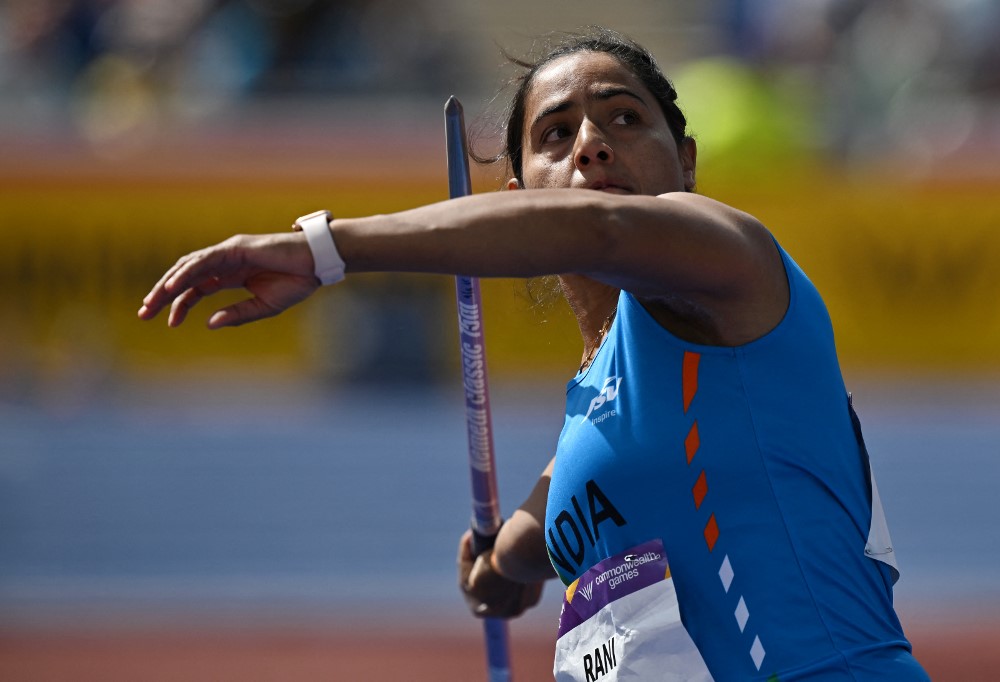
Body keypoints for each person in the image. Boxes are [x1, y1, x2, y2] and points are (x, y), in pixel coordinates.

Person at [140, 27, 929, 681]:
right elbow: (565, 514)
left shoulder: (733, 267)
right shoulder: (597, 399)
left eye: (624, 119)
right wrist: (506, 565)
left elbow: (598, 231)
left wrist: (325, 250)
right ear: (523, 193)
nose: (591, 145)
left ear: (684, 162)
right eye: (557, 135)